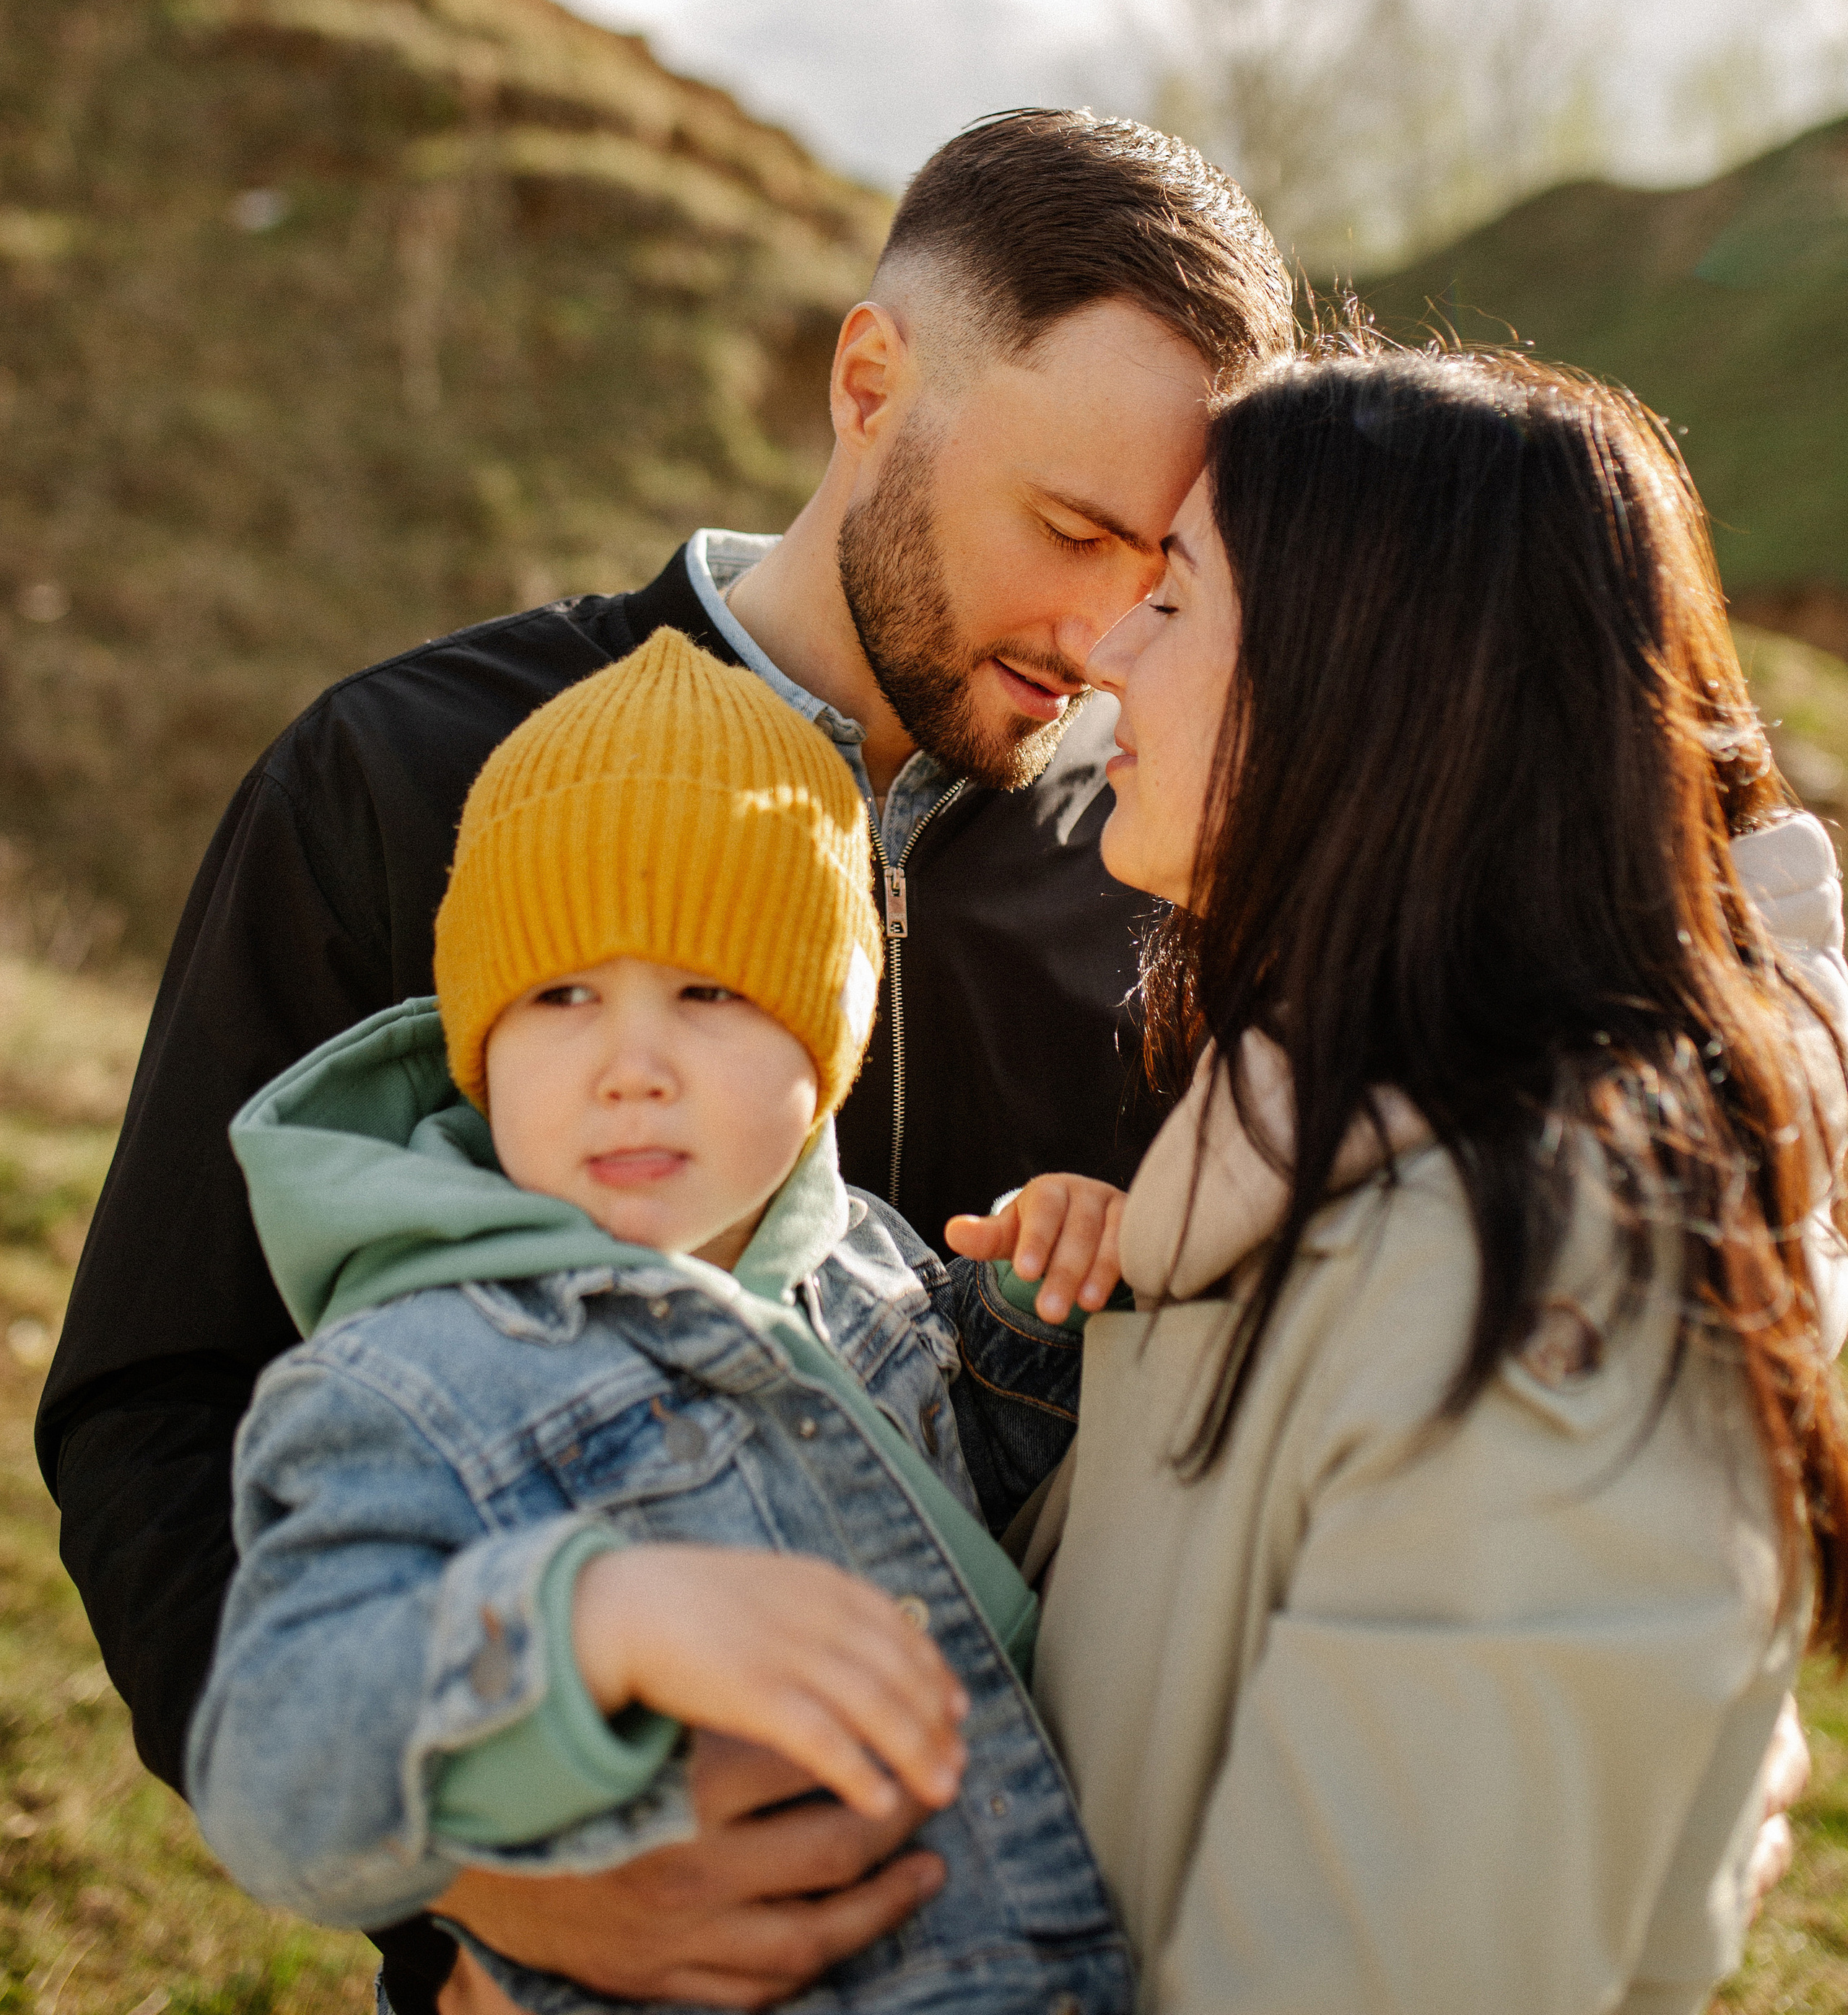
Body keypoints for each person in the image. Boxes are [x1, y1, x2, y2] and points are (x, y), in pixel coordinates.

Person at [39, 109, 1294, 2015]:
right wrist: (469, 1898)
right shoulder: (398, 779)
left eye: (1166, 571)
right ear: (869, 380)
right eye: (1068, 529)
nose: (1104, 633)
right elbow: (155, 1408)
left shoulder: (1138, 881)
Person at [1027, 345, 1848, 2014]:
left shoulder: (1550, 1299)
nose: (1102, 651)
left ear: (1370, 684)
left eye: (1171, 603)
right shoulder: (1299, 1157)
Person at [188, 630, 1133, 2015]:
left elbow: (950, 1506)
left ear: (825, 1052)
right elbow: (270, 1767)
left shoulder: (863, 1265)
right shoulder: (407, 1378)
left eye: (708, 994)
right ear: (479, 1044)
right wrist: (588, 1622)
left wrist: (1030, 1309)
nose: (631, 1069)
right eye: (561, 998)